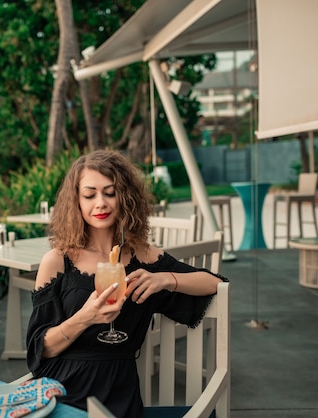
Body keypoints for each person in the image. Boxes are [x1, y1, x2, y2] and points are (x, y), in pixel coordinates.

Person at [26, 150, 228, 417]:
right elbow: (40, 350)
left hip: (118, 389)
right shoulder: (58, 261)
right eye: (89, 195)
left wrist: (165, 279)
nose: (101, 203)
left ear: (125, 197)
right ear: (76, 201)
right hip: (60, 388)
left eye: (110, 192)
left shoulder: (143, 256)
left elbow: (214, 282)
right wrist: (86, 317)